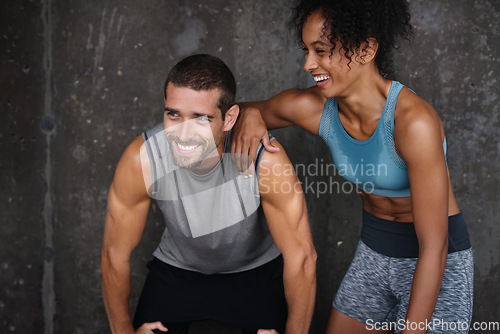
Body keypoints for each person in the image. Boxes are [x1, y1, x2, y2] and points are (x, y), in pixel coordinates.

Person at [231, 1, 473, 333]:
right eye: (306, 50)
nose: (307, 63)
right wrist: (253, 114)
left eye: (321, 50)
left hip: (436, 261)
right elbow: (225, 113)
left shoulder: (414, 122)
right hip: (374, 251)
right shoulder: (313, 108)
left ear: (366, 49)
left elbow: (435, 244)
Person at [101, 54, 317, 334]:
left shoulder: (266, 161)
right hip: (178, 268)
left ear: (229, 119)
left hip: (255, 272)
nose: (183, 133)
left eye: (201, 118)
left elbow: (302, 258)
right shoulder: (143, 159)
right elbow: (113, 254)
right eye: (173, 114)